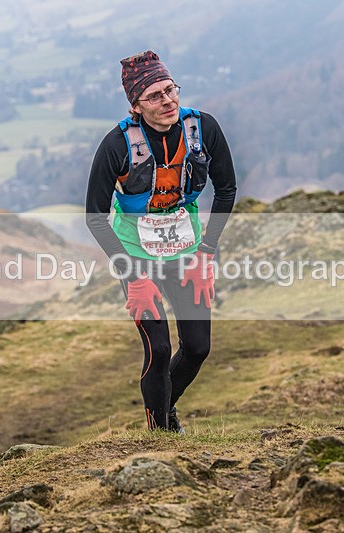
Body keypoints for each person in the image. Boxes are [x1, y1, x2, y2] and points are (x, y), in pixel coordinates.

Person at [86, 51, 237, 432]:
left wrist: (206, 253)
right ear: (136, 105)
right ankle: (159, 432)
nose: (168, 100)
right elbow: (94, 215)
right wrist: (133, 277)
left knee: (198, 348)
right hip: (136, 256)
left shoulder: (203, 129)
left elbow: (227, 189)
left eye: (170, 90)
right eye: (154, 96)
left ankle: (166, 410)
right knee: (159, 347)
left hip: (187, 251)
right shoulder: (117, 145)